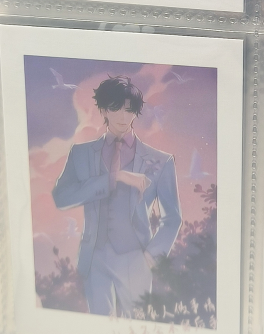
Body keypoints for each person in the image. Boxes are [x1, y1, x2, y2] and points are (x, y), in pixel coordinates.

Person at [52, 75, 183, 317]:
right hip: (94, 259)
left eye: (129, 110)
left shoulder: (160, 160)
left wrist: (151, 257)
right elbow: (62, 198)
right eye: (115, 108)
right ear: (103, 110)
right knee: (99, 329)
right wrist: (114, 178)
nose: (123, 117)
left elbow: (172, 218)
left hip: (136, 259)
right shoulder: (80, 154)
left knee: (137, 329)